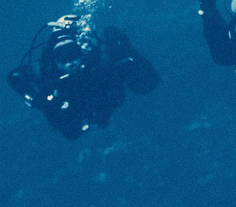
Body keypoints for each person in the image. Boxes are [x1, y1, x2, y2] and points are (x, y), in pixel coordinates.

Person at [8, 15, 160, 138]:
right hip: (74, 106)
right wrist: (36, 100)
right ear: (55, 59)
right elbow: (14, 77)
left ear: (81, 52)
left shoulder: (95, 60)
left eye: (73, 54)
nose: (71, 63)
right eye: (63, 57)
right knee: (69, 130)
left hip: (102, 95)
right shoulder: (46, 69)